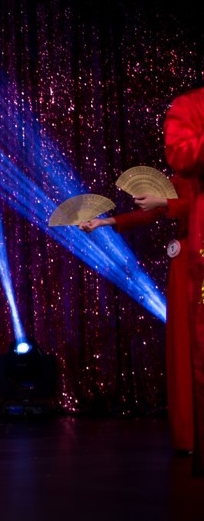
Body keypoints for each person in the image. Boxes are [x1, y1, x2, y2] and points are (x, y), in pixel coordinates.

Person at [80, 180, 194, 453]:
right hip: (185, 260)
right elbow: (150, 212)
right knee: (184, 343)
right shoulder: (180, 177)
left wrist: (164, 203)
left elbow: (189, 206)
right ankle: (190, 435)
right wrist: (103, 222)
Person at [162, 86, 204, 477]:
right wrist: (111, 221)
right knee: (193, 343)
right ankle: (192, 436)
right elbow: (177, 203)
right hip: (193, 252)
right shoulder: (189, 108)